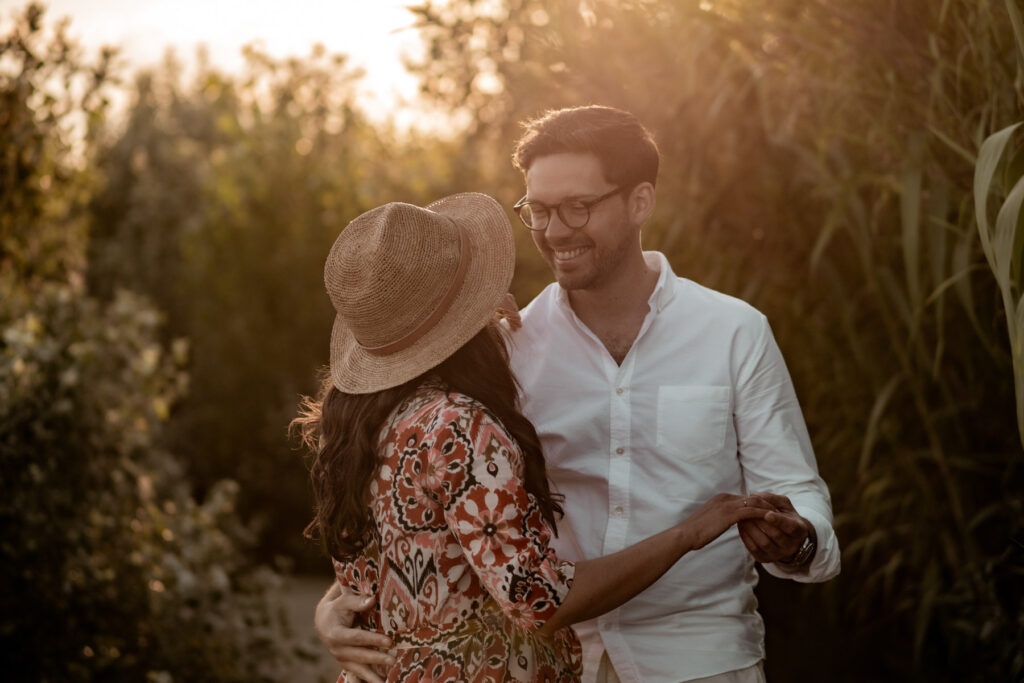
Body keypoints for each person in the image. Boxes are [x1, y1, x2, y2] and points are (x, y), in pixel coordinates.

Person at [315, 107, 841, 682]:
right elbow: (435, 514)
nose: (554, 230)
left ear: (640, 202)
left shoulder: (735, 331)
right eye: (537, 210)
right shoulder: (504, 352)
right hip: (561, 667)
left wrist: (797, 541)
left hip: (702, 662)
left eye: (577, 207)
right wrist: (334, 605)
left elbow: (796, 490)